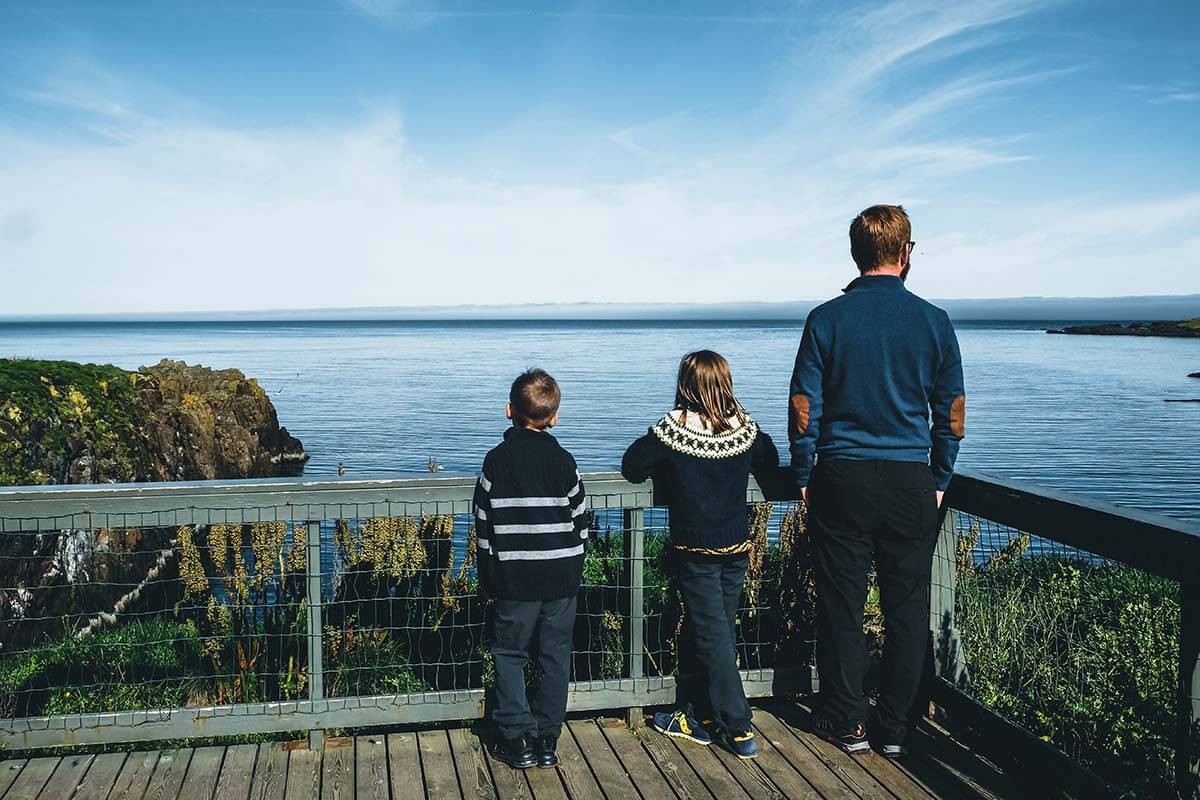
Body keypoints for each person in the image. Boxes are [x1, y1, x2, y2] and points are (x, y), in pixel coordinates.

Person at [789, 204, 966, 758]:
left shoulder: (826, 319)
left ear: (855, 254)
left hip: (841, 477)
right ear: (906, 253)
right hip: (911, 479)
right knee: (906, 609)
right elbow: (953, 410)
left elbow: (802, 407)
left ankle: (846, 722)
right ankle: (894, 727)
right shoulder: (934, 322)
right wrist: (939, 475)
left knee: (842, 606)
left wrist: (803, 470)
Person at [622, 350, 780, 760]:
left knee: (712, 636)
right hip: (736, 547)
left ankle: (739, 726)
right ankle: (695, 715)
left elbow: (632, 465)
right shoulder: (743, 428)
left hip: (696, 549)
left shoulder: (675, 431)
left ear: (685, 384)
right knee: (714, 631)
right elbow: (772, 459)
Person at [474, 368, 588, 770]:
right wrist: (573, 561)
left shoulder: (495, 462)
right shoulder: (564, 461)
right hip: (561, 579)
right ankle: (546, 739)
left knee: (509, 653)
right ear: (554, 417)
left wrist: (489, 575)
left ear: (509, 411)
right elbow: (581, 520)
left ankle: (516, 738)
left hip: (513, 580)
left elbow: (483, 529)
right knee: (555, 654)